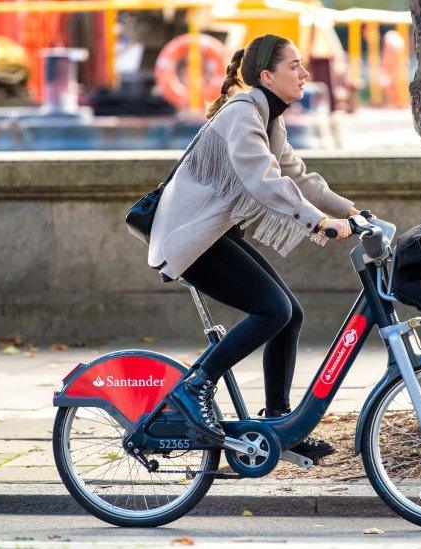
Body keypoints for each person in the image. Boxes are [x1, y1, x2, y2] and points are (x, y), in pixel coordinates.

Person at [147, 34, 368, 462]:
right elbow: (262, 180)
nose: (305, 74)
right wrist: (318, 222)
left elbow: (299, 177)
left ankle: (279, 425)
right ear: (267, 76)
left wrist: (354, 212)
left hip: (212, 234)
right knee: (274, 310)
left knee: (290, 313)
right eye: (295, 66)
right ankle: (196, 385)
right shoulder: (241, 114)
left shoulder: (269, 117)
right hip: (190, 239)